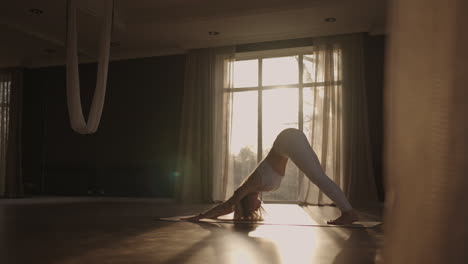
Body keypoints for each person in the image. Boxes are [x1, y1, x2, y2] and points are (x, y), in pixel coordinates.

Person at [182, 128, 359, 225]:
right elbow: (229, 209)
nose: (257, 207)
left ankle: (348, 213)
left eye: (251, 209)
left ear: (244, 201)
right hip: (289, 140)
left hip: (287, 140)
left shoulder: (248, 186)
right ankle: (348, 212)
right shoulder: (256, 189)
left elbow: (228, 205)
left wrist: (199, 216)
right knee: (320, 176)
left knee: (318, 178)